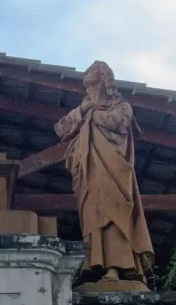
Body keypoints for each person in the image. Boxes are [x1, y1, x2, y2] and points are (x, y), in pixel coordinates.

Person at [56, 61, 154, 283]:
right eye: (86, 86)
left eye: (93, 85)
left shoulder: (121, 106)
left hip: (114, 171)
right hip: (89, 174)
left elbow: (117, 122)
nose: (89, 91)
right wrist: (83, 109)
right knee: (93, 215)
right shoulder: (83, 109)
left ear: (104, 82)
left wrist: (91, 113)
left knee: (114, 214)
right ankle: (94, 263)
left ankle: (117, 266)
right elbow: (62, 129)